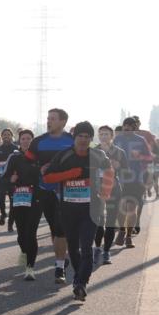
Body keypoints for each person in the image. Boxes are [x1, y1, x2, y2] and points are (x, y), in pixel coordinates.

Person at [42, 122, 114, 301]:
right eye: (80, 136)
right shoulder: (64, 155)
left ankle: (81, 283)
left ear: (91, 139)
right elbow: (48, 177)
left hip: (91, 209)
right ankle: (77, 279)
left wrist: (105, 193)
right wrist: (71, 174)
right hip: (68, 210)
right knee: (73, 248)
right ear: (75, 138)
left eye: (87, 137)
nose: (83, 139)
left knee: (87, 248)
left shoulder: (98, 155)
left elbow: (110, 173)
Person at [28, 108, 74, 284]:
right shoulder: (38, 142)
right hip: (44, 189)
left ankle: (59, 266)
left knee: (61, 227)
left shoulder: (71, 141)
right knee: (54, 227)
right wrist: (37, 169)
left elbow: (81, 160)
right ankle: (61, 256)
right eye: (48, 118)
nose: (48, 121)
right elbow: (27, 163)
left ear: (63, 122)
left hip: (66, 191)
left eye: (52, 119)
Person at [5, 129, 42, 280]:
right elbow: (5, 177)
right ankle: (24, 251)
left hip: (35, 199)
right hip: (19, 199)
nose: (26, 141)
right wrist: (11, 180)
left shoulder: (39, 157)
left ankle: (30, 268)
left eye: (29, 139)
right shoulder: (14, 157)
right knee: (21, 236)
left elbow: (46, 175)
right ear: (19, 141)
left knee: (30, 233)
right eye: (23, 139)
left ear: (33, 141)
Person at [113, 117, 154, 248]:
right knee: (121, 208)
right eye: (125, 126)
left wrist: (140, 156)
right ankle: (122, 230)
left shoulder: (141, 140)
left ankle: (128, 236)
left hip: (136, 179)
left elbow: (149, 158)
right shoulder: (117, 139)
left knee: (131, 208)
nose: (126, 128)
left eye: (129, 126)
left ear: (134, 128)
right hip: (120, 179)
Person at [93, 125, 126, 265]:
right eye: (101, 134)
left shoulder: (119, 152)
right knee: (99, 221)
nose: (103, 136)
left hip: (113, 188)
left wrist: (118, 166)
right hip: (97, 188)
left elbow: (127, 171)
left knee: (111, 221)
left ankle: (106, 251)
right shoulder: (94, 151)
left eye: (106, 134)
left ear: (112, 136)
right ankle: (97, 249)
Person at [0, 128, 18, 230]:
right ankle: (3, 214)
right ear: (2, 137)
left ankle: (10, 224)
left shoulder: (16, 149)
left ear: (11, 136)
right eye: (4, 135)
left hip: (12, 179)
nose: (6, 136)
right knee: (0, 200)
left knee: (13, 202)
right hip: (0, 178)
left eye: (8, 134)